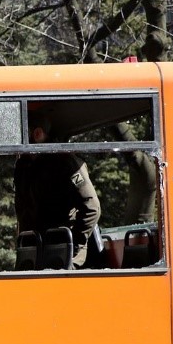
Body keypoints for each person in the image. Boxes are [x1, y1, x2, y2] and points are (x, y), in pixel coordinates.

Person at [14, 115, 102, 268]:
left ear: (37, 134)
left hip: (62, 255)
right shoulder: (24, 166)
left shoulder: (66, 162)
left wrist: (72, 244)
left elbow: (91, 207)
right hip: (33, 251)